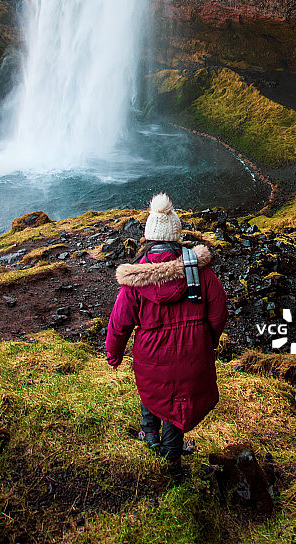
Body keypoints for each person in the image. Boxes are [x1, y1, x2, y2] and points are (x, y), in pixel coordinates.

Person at [105, 193, 228, 480]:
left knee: (152, 383)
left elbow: (119, 322)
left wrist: (114, 353)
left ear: (148, 238)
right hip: (192, 351)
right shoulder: (200, 272)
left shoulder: (135, 281)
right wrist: (207, 341)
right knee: (179, 403)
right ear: (176, 237)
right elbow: (219, 309)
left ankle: (153, 438)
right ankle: (171, 455)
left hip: (150, 354)